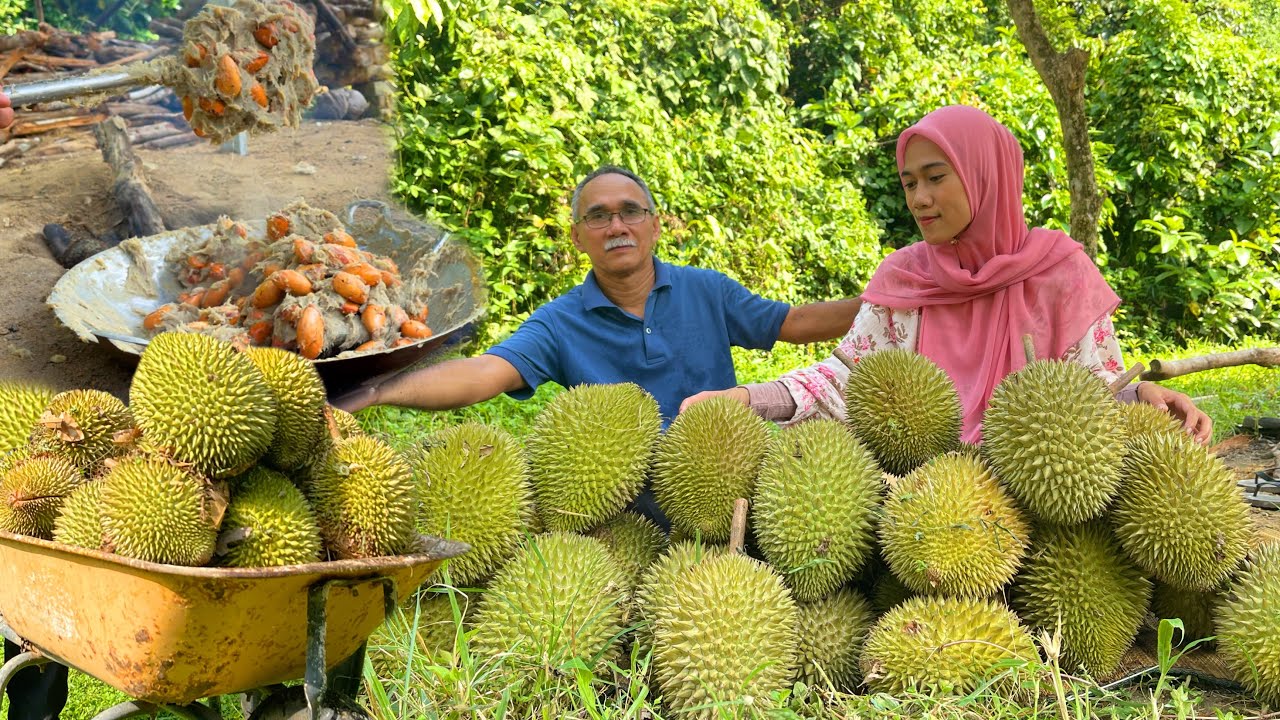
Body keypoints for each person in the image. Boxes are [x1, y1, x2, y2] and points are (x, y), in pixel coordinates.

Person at [681, 105, 1212, 445]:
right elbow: (845, 379)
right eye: (910, 183)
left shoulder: (1060, 274)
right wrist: (749, 398)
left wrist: (1142, 395)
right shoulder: (905, 279)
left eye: (936, 178)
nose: (919, 199)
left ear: (987, 175)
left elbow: (1090, 387)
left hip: (1033, 503)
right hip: (916, 499)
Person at [334, 165, 862, 425]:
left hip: (722, 486)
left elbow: (792, 322)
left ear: (655, 226)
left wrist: (886, 306)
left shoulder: (708, 291)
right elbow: (484, 373)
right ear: (578, 236)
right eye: (598, 216)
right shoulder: (560, 323)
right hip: (621, 518)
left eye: (631, 211)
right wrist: (380, 390)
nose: (617, 225)